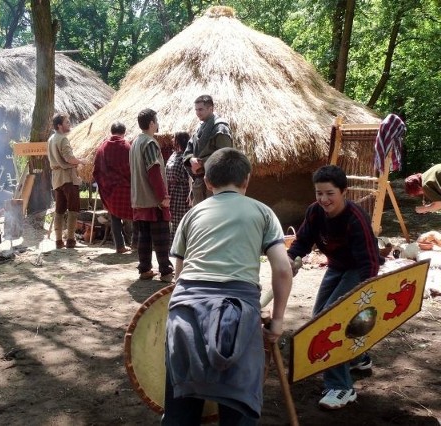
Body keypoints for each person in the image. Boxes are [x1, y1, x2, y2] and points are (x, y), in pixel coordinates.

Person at [163, 147, 293, 425]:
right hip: (238, 315)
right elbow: (282, 269)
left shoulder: (192, 215)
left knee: (180, 412)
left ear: (208, 183)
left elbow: (179, 276)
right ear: (247, 180)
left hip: (185, 312)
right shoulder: (263, 212)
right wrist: (278, 320)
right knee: (238, 409)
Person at [287, 164, 382, 410]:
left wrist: (364, 294)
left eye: (330, 193)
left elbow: (370, 261)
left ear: (343, 192)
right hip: (336, 266)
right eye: (319, 193)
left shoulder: (355, 218)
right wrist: (289, 259)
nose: (324, 199)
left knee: (333, 323)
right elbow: (303, 242)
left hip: (358, 270)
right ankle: (359, 358)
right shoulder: (315, 213)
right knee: (319, 316)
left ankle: (341, 387)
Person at [129, 108, 173, 282]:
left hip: (140, 199)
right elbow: (153, 171)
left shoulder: (134, 143)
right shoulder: (149, 143)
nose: (158, 123)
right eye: (156, 120)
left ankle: (145, 269)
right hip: (152, 200)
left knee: (144, 237)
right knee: (161, 237)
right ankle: (166, 272)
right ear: (152, 123)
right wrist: (163, 197)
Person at [183, 95, 233, 205]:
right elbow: (188, 151)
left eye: (200, 109)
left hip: (216, 184)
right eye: (196, 110)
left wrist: (201, 163)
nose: (197, 113)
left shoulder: (220, 128)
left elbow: (225, 156)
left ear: (211, 108)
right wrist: (191, 160)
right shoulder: (199, 128)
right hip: (200, 182)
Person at [92, 121, 133, 253]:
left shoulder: (102, 147)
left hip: (109, 189)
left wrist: (104, 184)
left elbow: (96, 169)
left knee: (115, 217)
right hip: (125, 188)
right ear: (124, 132)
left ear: (112, 131)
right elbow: (131, 168)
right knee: (134, 215)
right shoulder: (126, 146)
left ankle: (119, 246)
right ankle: (135, 243)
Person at [47, 113, 85, 249]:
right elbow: (69, 158)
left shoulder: (51, 138)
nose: (69, 124)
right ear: (59, 125)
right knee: (73, 209)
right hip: (67, 177)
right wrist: (80, 161)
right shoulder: (62, 139)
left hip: (57, 178)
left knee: (59, 210)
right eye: (67, 122)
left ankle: (58, 241)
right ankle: (70, 240)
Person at [166, 131, 191, 244]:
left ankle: (182, 245)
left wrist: (191, 194)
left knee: (182, 219)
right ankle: (174, 245)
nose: (172, 140)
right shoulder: (174, 154)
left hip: (182, 192)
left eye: (175, 139)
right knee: (173, 220)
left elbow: (191, 176)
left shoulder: (187, 156)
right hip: (173, 191)